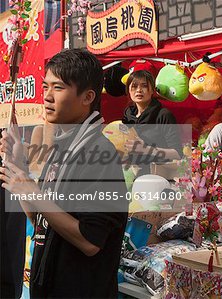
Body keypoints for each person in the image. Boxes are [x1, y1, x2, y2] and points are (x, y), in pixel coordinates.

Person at [0, 49, 128, 298]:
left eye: (58, 88)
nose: (47, 97)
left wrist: (33, 192)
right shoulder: (63, 147)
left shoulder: (100, 153)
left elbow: (90, 242)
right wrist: (20, 168)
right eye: (45, 87)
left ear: (87, 97)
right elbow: (40, 219)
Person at [122, 70, 182, 169]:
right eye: (134, 86)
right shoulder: (128, 115)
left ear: (152, 90)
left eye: (144, 86)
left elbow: (177, 153)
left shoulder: (163, 115)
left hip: (157, 176)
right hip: (131, 174)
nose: (139, 90)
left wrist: (146, 149)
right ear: (128, 90)